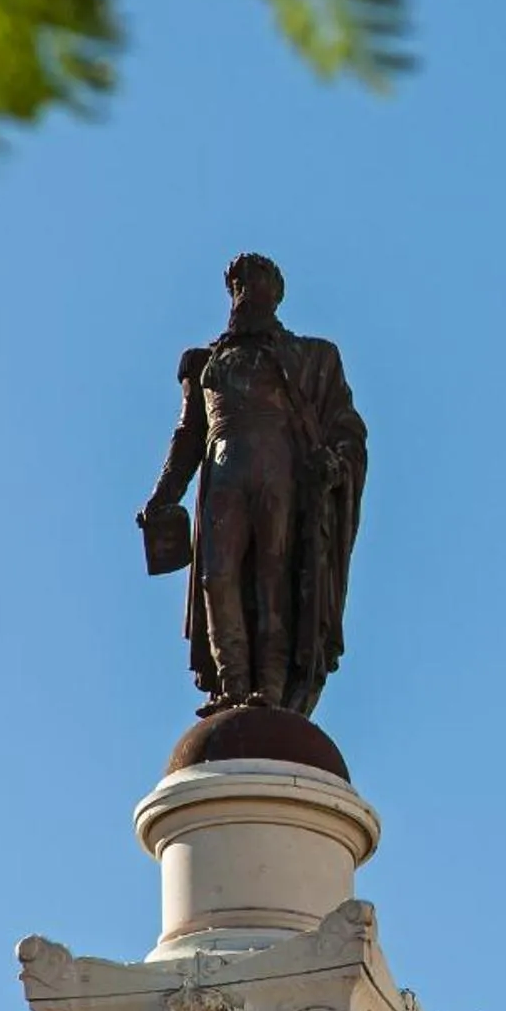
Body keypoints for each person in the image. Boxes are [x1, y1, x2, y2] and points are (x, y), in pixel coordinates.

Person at [139, 253, 366, 715]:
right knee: (217, 575)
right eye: (240, 285)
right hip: (224, 469)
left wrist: (333, 463)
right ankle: (232, 685)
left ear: (275, 296)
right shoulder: (205, 363)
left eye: (257, 284)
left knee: (274, 575)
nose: (247, 293)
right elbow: (188, 437)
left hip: (279, 469)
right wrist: (163, 495)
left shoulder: (308, 357)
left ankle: (272, 688)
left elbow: (345, 428)